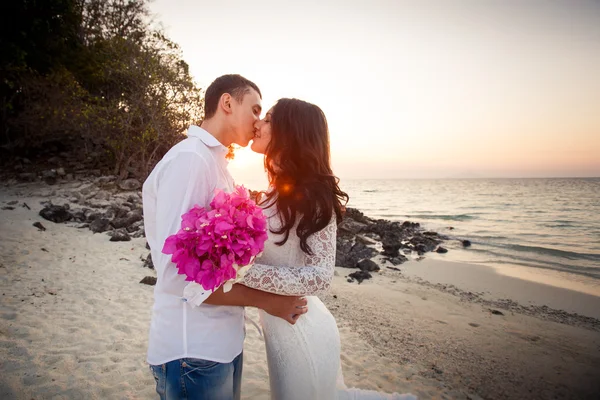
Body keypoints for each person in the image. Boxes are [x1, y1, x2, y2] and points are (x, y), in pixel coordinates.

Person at [142, 75, 308, 400]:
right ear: (228, 103)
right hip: (192, 350)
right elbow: (179, 277)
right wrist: (268, 301)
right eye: (256, 110)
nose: (259, 122)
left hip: (222, 345)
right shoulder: (190, 160)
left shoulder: (216, 163)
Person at [240, 98, 417, 400]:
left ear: (290, 131)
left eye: (268, 119)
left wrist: (243, 273)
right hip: (280, 325)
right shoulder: (272, 190)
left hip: (301, 326)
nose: (258, 124)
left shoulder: (312, 195)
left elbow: (320, 277)